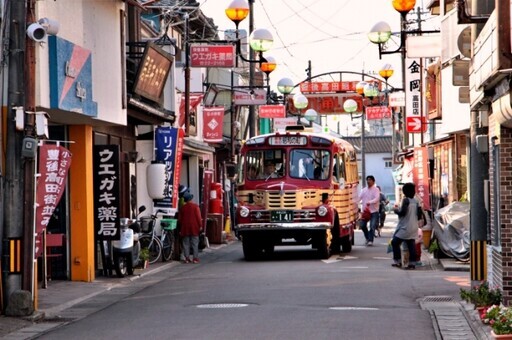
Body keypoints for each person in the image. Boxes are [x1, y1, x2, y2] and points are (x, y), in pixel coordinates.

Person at [390, 182, 421, 270]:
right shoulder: (416, 201)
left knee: (395, 242)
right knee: (411, 244)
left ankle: (398, 261)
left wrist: (395, 210)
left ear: (405, 192)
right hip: (413, 226)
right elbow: (419, 215)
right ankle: (412, 263)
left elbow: (402, 212)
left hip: (405, 227)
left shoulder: (406, 200)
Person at [178, 192, 203, 264]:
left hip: (185, 228)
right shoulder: (195, 207)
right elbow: (198, 217)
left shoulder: (182, 208)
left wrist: (180, 227)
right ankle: (195, 258)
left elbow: (180, 219)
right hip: (194, 227)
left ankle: (187, 258)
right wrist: (200, 226)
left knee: (186, 243)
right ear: (191, 199)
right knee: (195, 243)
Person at [358, 175, 380, 246]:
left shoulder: (376, 190)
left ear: (373, 181)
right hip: (365, 212)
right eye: (367, 180)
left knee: (372, 226)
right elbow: (359, 198)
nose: (368, 181)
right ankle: (367, 237)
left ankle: (370, 240)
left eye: (370, 180)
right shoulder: (363, 190)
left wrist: (370, 202)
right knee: (362, 225)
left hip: (374, 211)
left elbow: (377, 199)